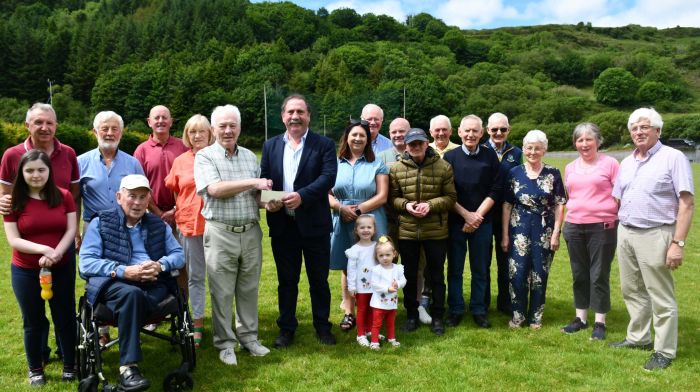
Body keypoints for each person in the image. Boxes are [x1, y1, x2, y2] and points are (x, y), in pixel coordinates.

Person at [79, 174, 184, 391]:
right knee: (132, 295)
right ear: (119, 197)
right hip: (115, 283)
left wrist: (160, 265)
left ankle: (128, 356)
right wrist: (124, 271)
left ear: (149, 200)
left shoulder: (158, 225)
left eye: (142, 197)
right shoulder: (101, 222)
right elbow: (86, 264)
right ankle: (128, 367)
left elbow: (178, 254)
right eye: (131, 196)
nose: (137, 202)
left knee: (136, 297)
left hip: (152, 282)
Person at [609, 108, 694, 371]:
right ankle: (638, 338)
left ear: (658, 130)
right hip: (626, 232)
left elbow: (687, 203)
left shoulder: (673, 157)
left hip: (656, 233)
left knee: (660, 294)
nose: (638, 132)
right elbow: (618, 197)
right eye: (634, 128)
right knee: (631, 289)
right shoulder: (627, 161)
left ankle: (664, 350)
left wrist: (677, 243)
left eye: (644, 127)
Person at [0, 103, 80, 364]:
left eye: (49, 122)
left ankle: (67, 355)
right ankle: (40, 357)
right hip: (28, 254)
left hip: (63, 247)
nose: (44, 127)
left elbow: (74, 196)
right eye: (38, 122)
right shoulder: (11, 155)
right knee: (33, 315)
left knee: (63, 310)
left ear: (56, 125)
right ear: (28, 125)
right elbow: (6, 198)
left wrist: (73, 232)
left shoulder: (68, 154)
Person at [193, 105, 272, 365]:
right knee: (222, 291)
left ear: (239, 128)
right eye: (222, 126)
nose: (228, 131)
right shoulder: (205, 156)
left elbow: (257, 196)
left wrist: (274, 201)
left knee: (249, 289)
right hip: (220, 232)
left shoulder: (250, 156)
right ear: (213, 129)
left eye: (233, 126)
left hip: (250, 231)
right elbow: (214, 189)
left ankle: (249, 338)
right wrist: (253, 183)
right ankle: (226, 343)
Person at [260, 94, 338, 347]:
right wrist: (268, 200)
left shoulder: (323, 144)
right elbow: (265, 180)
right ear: (283, 116)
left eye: (300, 112)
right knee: (287, 280)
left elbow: (328, 177)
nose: (295, 116)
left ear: (308, 116)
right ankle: (286, 329)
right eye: (290, 112)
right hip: (283, 226)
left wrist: (303, 196)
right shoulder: (270, 145)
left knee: (319, 280)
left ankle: (322, 326)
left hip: (314, 224)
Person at [79, 110, 145, 346]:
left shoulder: (132, 162)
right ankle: (102, 328)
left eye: (114, 128)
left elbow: (142, 197)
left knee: (128, 273)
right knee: (97, 275)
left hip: (128, 228)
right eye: (104, 128)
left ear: (121, 132)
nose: (109, 133)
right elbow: (75, 199)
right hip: (94, 228)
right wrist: (78, 232)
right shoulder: (81, 162)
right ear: (95, 131)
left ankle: (131, 320)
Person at [389, 128, 456, 336]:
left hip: (435, 231)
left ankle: (437, 316)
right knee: (409, 274)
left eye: (419, 143)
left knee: (436, 275)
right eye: (412, 144)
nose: (416, 147)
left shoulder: (444, 167)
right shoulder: (396, 169)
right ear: (406, 146)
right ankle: (411, 315)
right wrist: (407, 205)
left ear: (427, 144)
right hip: (408, 232)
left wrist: (430, 205)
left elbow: (450, 198)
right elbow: (392, 198)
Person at [501, 130, 566, 330]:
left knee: (539, 273)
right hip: (518, 229)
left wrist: (556, 233)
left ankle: (536, 317)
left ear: (544, 150)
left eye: (537, 148)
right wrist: (504, 235)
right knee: (517, 274)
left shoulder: (553, 173)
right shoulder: (515, 172)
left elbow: (560, 204)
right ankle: (518, 316)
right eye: (529, 147)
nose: (532, 152)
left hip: (544, 230)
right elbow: (507, 205)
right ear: (524, 149)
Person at [560, 123, 619, 341]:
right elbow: (570, 196)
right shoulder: (570, 167)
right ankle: (581, 318)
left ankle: (599, 322)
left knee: (598, 274)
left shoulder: (610, 164)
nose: (584, 144)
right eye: (580, 140)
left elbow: (619, 194)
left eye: (588, 139)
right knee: (579, 273)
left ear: (598, 141)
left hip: (602, 227)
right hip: (574, 225)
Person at [328, 119, 388, 332]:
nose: (358, 138)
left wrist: (359, 210)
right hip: (342, 219)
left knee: (373, 265)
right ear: (347, 137)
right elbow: (326, 193)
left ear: (368, 139)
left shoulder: (377, 163)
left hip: (371, 219)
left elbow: (382, 196)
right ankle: (349, 312)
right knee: (348, 266)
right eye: (354, 134)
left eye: (362, 135)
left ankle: (372, 311)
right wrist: (339, 208)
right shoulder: (334, 162)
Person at [444, 115, 502, 329]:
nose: (470, 135)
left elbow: (495, 189)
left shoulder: (490, 157)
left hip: (482, 223)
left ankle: (479, 309)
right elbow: (446, 192)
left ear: (482, 133)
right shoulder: (450, 158)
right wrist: (466, 216)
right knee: (455, 269)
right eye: (467, 131)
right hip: (456, 222)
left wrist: (476, 216)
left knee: (480, 269)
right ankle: (456, 309)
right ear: (459, 132)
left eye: (475, 131)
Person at [164, 114, 214, 348]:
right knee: (194, 277)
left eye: (201, 131)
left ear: (209, 133)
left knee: (219, 277)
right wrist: (181, 209)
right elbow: (176, 190)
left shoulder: (217, 156)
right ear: (187, 135)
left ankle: (223, 323)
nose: (197, 136)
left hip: (215, 225)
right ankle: (197, 323)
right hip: (189, 225)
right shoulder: (180, 160)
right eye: (192, 131)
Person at [482, 112, 522, 315]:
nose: (498, 132)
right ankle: (484, 302)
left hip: (509, 214)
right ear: (487, 130)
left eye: (503, 129)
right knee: (483, 260)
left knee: (506, 260)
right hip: (485, 213)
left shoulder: (517, 152)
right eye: (494, 129)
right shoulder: (480, 149)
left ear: (509, 130)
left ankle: (505, 302)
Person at [133, 105, 188, 226]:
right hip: (151, 215)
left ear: (171, 122)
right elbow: (140, 186)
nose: (160, 121)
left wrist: (175, 210)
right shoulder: (141, 151)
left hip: (182, 213)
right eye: (157, 118)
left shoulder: (183, 146)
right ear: (149, 122)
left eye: (164, 117)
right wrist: (158, 213)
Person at [345, 214, 378, 347]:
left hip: (375, 286)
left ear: (374, 230)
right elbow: (351, 270)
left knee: (372, 308)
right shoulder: (354, 250)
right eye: (362, 227)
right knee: (362, 310)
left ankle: (370, 330)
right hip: (361, 287)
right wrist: (352, 287)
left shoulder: (377, 247)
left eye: (369, 227)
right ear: (356, 230)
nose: (366, 230)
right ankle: (361, 334)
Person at [369, 236, 406, 350]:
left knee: (391, 322)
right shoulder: (376, 270)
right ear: (377, 256)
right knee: (377, 323)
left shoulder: (398, 268)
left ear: (394, 254)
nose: (384, 258)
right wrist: (387, 288)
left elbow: (403, 280)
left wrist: (398, 284)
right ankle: (374, 342)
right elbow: (374, 285)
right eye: (381, 255)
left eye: (387, 255)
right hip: (379, 303)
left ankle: (392, 338)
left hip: (392, 302)